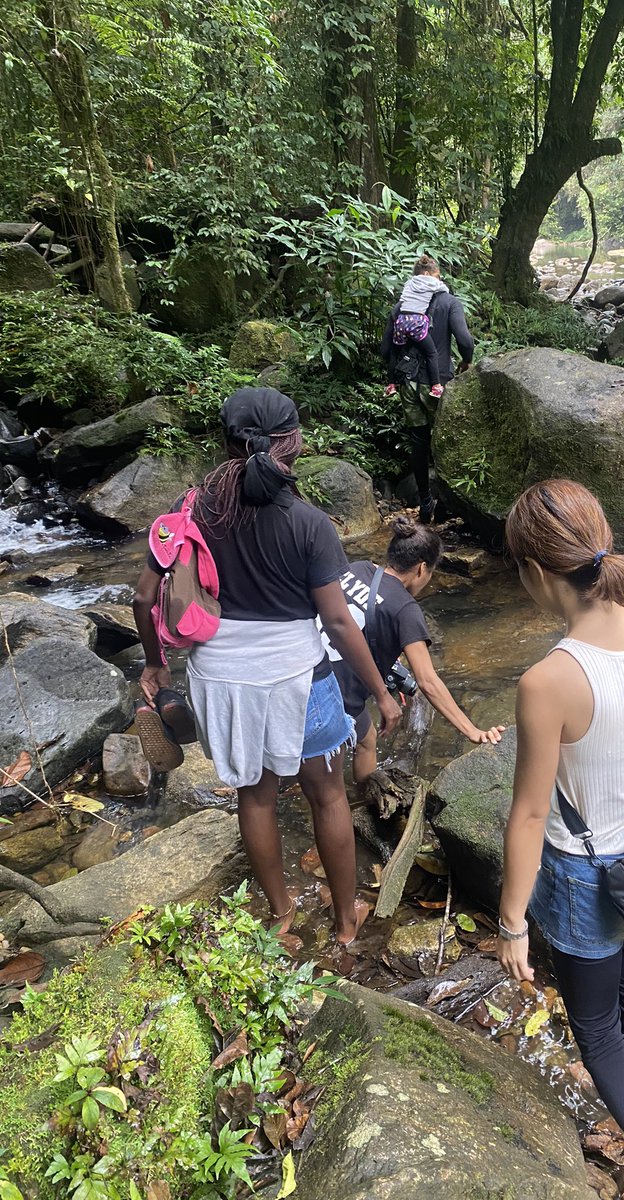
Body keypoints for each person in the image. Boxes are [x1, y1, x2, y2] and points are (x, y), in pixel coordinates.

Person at [132, 387, 401, 945]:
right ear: (293, 444)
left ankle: (280, 916)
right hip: (297, 678)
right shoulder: (308, 523)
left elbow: (142, 598)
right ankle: (346, 922)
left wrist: (156, 668)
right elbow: (339, 623)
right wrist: (381, 690)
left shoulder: (192, 512)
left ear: (225, 443)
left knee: (255, 794)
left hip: (220, 675)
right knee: (326, 794)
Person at [496, 479, 624, 1200]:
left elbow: (526, 817)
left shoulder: (549, 678)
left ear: (534, 572)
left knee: (597, 1033)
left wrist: (512, 923)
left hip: (587, 875)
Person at [320, 516, 504, 784]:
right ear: (421, 569)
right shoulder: (406, 609)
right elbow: (428, 682)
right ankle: (364, 806)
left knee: (365, 735)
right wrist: (472, 731)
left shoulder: (356, 568)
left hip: (310, 673)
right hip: (337, 696)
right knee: (364, 745)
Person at [380, 254, 474, 524]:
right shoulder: (449, 302)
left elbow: (386, 350)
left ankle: (424, 504)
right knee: (446, 440)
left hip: (408, 384)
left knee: (419, 442)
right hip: (436, 384)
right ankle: (445, 505)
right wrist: (466, 361)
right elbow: (465, 340)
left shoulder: (401, 306)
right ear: (437, 276)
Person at [384, 269, 449, 398]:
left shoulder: (409, 282)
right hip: (416, 323)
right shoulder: (433, 283)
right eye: (437, 276)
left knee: (394, 353)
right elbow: (445, 290)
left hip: (401, 321)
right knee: (431, 353)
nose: (438, 279)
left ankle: (391, 385)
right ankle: (436, 386)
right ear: (426, 273)